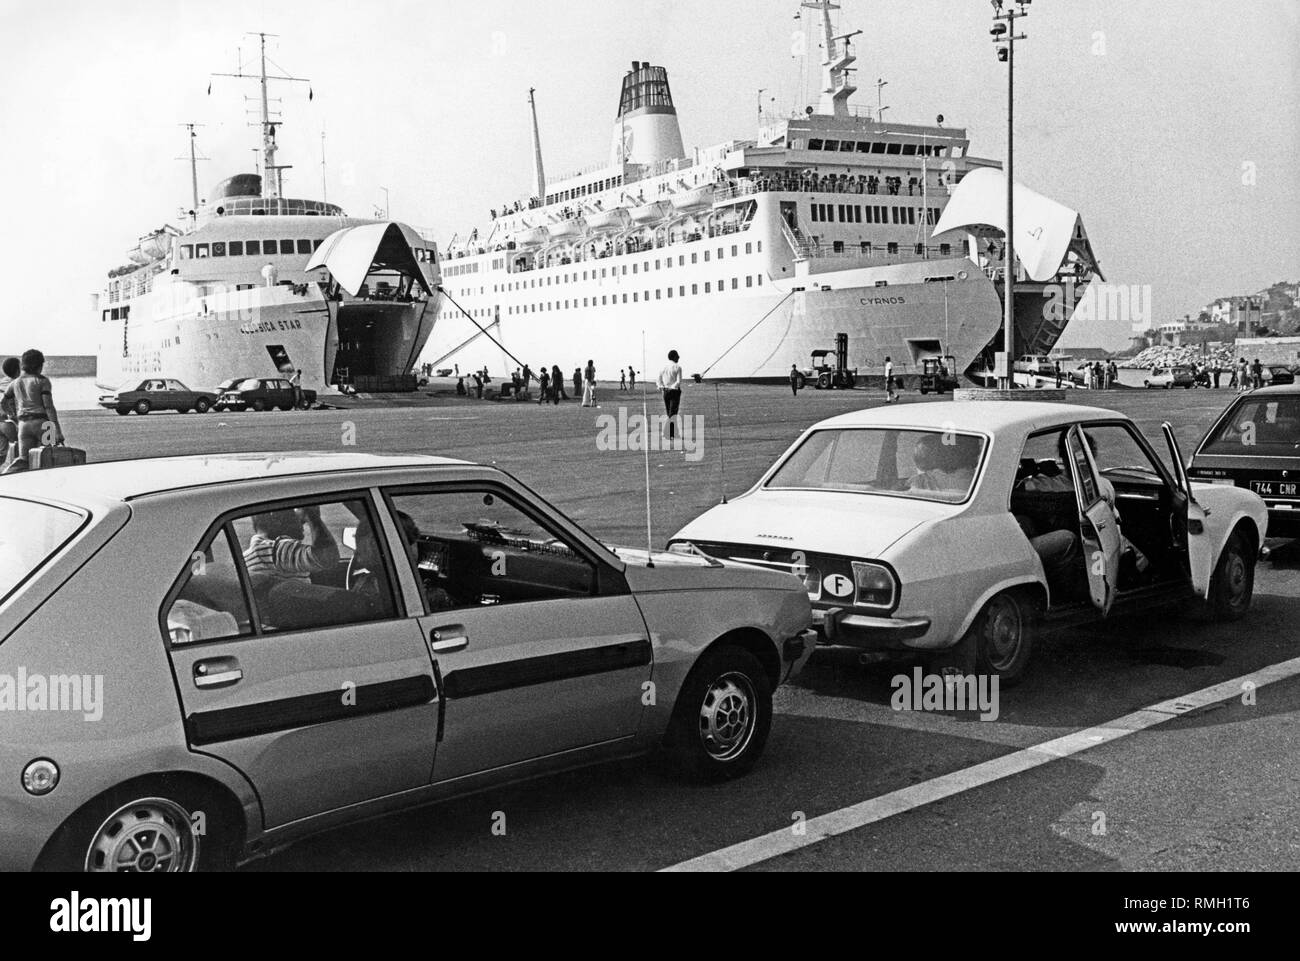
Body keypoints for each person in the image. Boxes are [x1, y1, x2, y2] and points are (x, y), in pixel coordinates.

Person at [243, 505, 339, 585]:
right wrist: (311, 516)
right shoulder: (276, 550)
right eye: (294, 510)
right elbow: (327, 557)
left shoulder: (247, 557)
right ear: (275, 517)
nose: (302, 521)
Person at [1, 349, 64, 470]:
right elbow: (49, 407)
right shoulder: (43, 381)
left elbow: (3, 402)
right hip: (44, 424)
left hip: (23, 425)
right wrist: (57, 430)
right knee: (49, 455)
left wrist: (12, 415)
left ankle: (6, 474)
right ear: (39, 365)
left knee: (23, 459)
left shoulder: (15, 382)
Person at [658, 349, 683, 439]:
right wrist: (673, 387)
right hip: (674, 391)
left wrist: (662, 387)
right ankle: (667, 433)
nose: (679, 357)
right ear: (674, 357)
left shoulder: (663, 367)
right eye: (677, 356)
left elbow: (659, 380)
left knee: (670, 413)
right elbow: (679, 381)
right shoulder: (677, 367)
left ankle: (673, 433)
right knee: (673, 413)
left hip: (665, 392)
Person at [0, 357, 19, 467]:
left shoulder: (2, 381)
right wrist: (13, 416)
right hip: (8, 422)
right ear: (17, 370)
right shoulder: (16, 384)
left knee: (1, 455)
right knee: (27, 444)